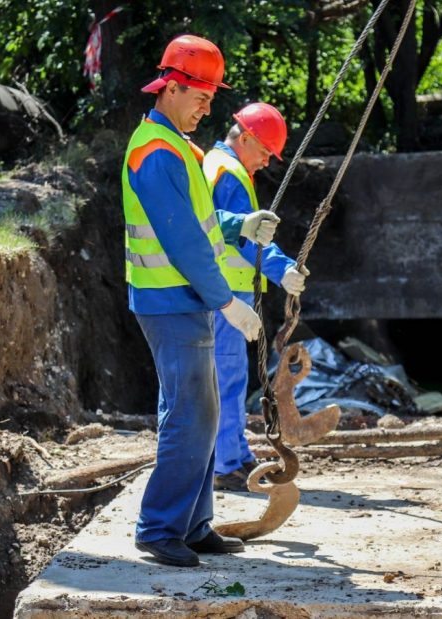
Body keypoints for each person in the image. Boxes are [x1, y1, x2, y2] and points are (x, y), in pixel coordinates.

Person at [122, 34, 282, 567]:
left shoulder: (181, 148)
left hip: (183, 300)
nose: (206, 108)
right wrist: (227, 303)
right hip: (170, 301)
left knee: (203, 413)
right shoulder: (156, 152)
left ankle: (193, 524)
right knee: (190, 415)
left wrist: (241, 224)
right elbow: (182, 240)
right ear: (170, 87)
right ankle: (160, 528)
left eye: (212, 99)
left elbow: (204, 223)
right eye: (201, 97)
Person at [202, 102, 309, 492]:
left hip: (218, 288)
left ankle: (234, 452)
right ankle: (227, 463)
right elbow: (247, 238)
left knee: (229, 376)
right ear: (244, 138)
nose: (266, 161)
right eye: (264, 151)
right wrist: (282, 270)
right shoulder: (229, 175)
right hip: (225, 292)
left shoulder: (217, 164)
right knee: (228, 378)